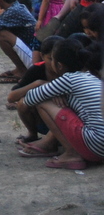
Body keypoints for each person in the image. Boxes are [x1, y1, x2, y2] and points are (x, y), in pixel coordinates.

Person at [18, 38, 104, 169]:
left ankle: (72, 154)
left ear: (58, 65)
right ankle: (49, 143)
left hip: (96, 147)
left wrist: (49, 90)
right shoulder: (91, 75)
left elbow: (30, 99)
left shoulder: (69, 79)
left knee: (43, 100)